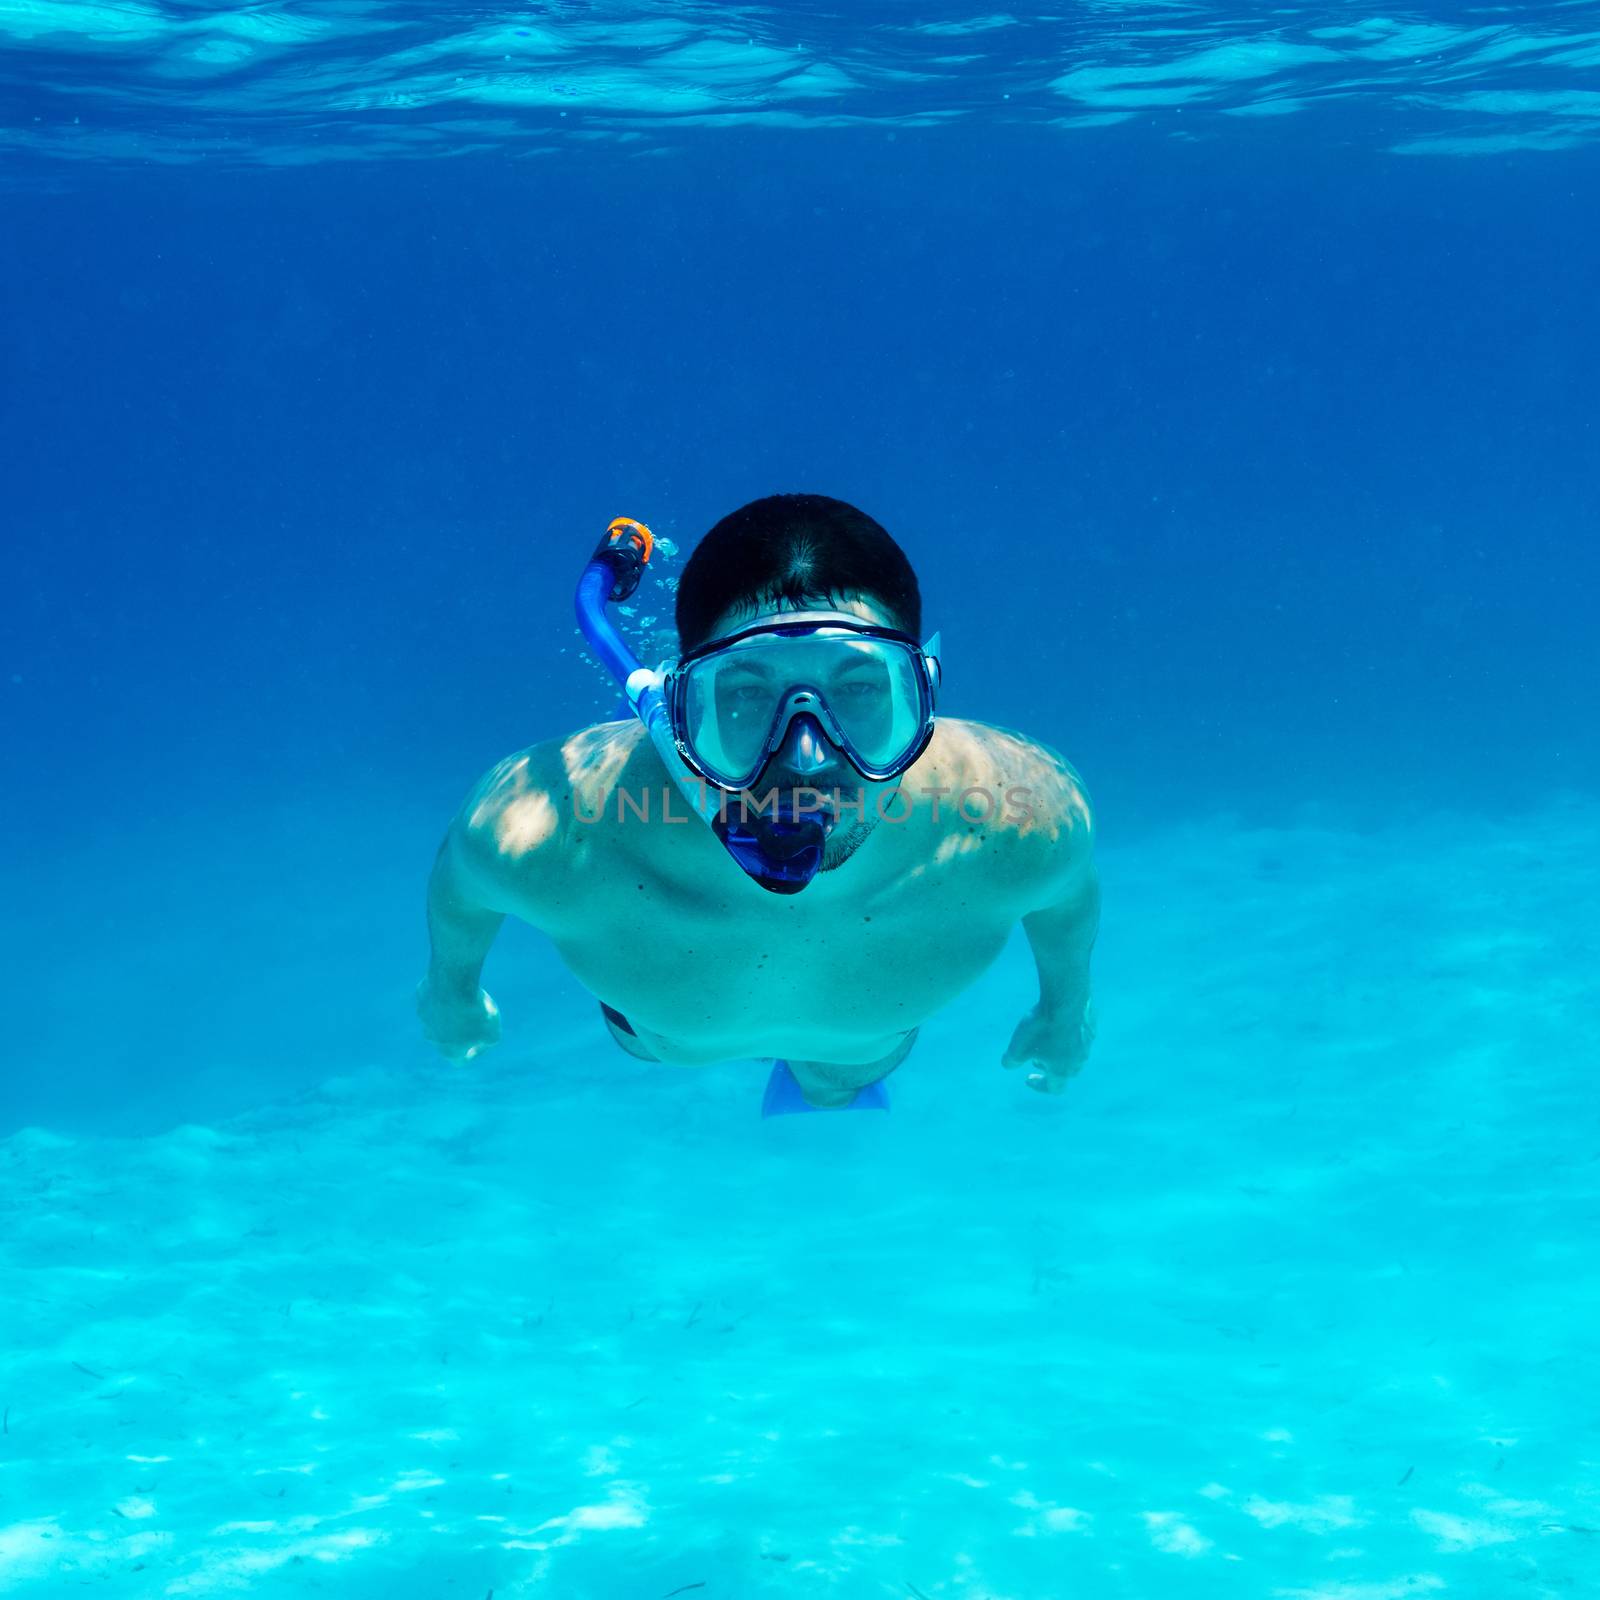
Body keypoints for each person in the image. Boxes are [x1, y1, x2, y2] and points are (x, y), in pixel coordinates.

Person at [417, 493, 1099, 1114]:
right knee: (676, 1047)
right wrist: (449, 990)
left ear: (919, 693)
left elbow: (1067, 891)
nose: (806, 759)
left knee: (840, 1076)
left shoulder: (1019, 819)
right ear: (682, 708)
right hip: (665, 1038)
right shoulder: (548, 833)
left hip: (855, 1047)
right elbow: (462, 878)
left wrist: (1064, 1010)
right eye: (744, 694)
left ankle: (828, 1090)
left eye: (859, 689)